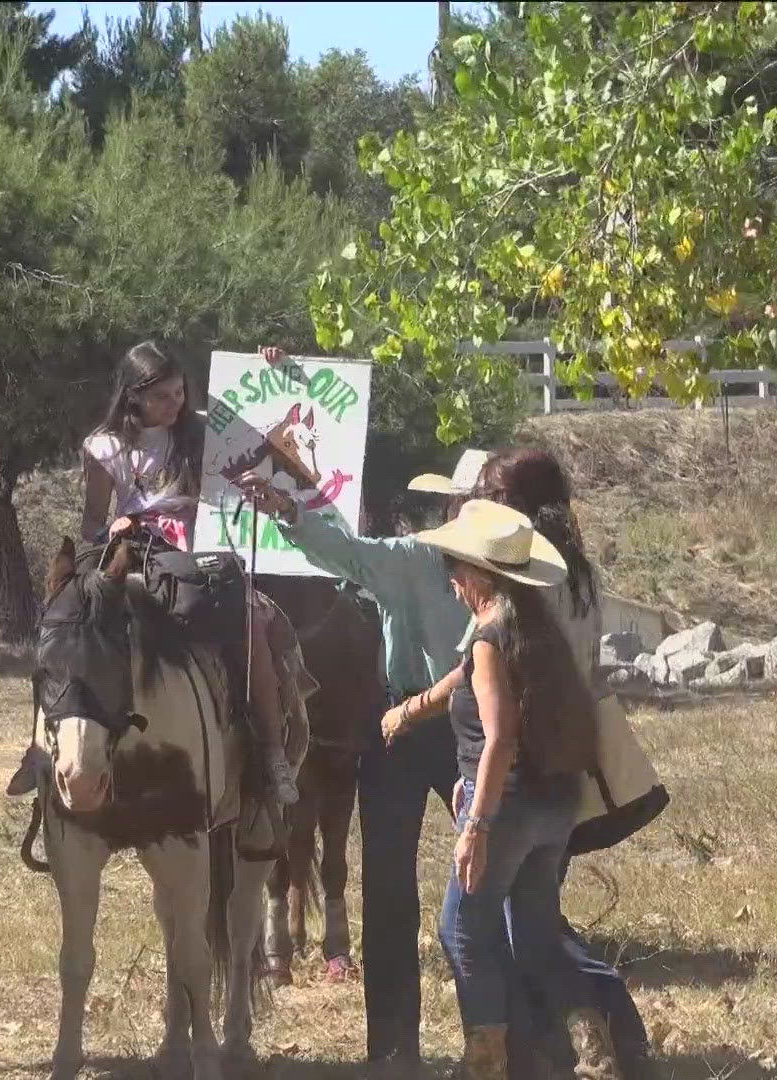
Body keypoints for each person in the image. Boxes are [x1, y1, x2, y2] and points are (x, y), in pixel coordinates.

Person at [238, 402, 473, 1072]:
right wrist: (288, 512)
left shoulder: (519, 571)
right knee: (391, 890)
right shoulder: (410, 558)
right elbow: (342, 550)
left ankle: (503, 1035)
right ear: (454, 506)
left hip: (475, 726)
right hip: (404, 723)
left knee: (500, 878)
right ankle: (395, 1051)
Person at [466, 448, 654, 1079]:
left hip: (520, 766)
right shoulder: (581, 574)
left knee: (494, 927)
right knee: (535, 925)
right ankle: (586, 1041)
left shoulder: (522, 579)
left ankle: (572, 1037)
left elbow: (503, 672)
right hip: (565, 763)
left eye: (492, 493)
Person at [409, 497, 591, 1079]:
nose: (453, 581)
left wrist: (477, 829)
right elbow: (461, 684)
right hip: (555, 802)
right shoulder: (532, 626)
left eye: (456, 569)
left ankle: (487, 1060)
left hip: (508, 808)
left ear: (479, 576)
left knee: (462, 926)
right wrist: (409, 711)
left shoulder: (489, 638)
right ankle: (561, 1053)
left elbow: (500, 737)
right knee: (533, 934)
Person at [79, 340, 303, 807]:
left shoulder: (203, 433)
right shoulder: (104, 448)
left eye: (180, 393)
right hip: (135, 549)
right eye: (163, 396)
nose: (175, 404)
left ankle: (272, 750)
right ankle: (61, 742)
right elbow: (91, 524)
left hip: (202, 546)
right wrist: (111, 528)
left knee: (250, 620)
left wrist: (278, 372)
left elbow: (272, 427)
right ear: (133, 395)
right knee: (73, 623)